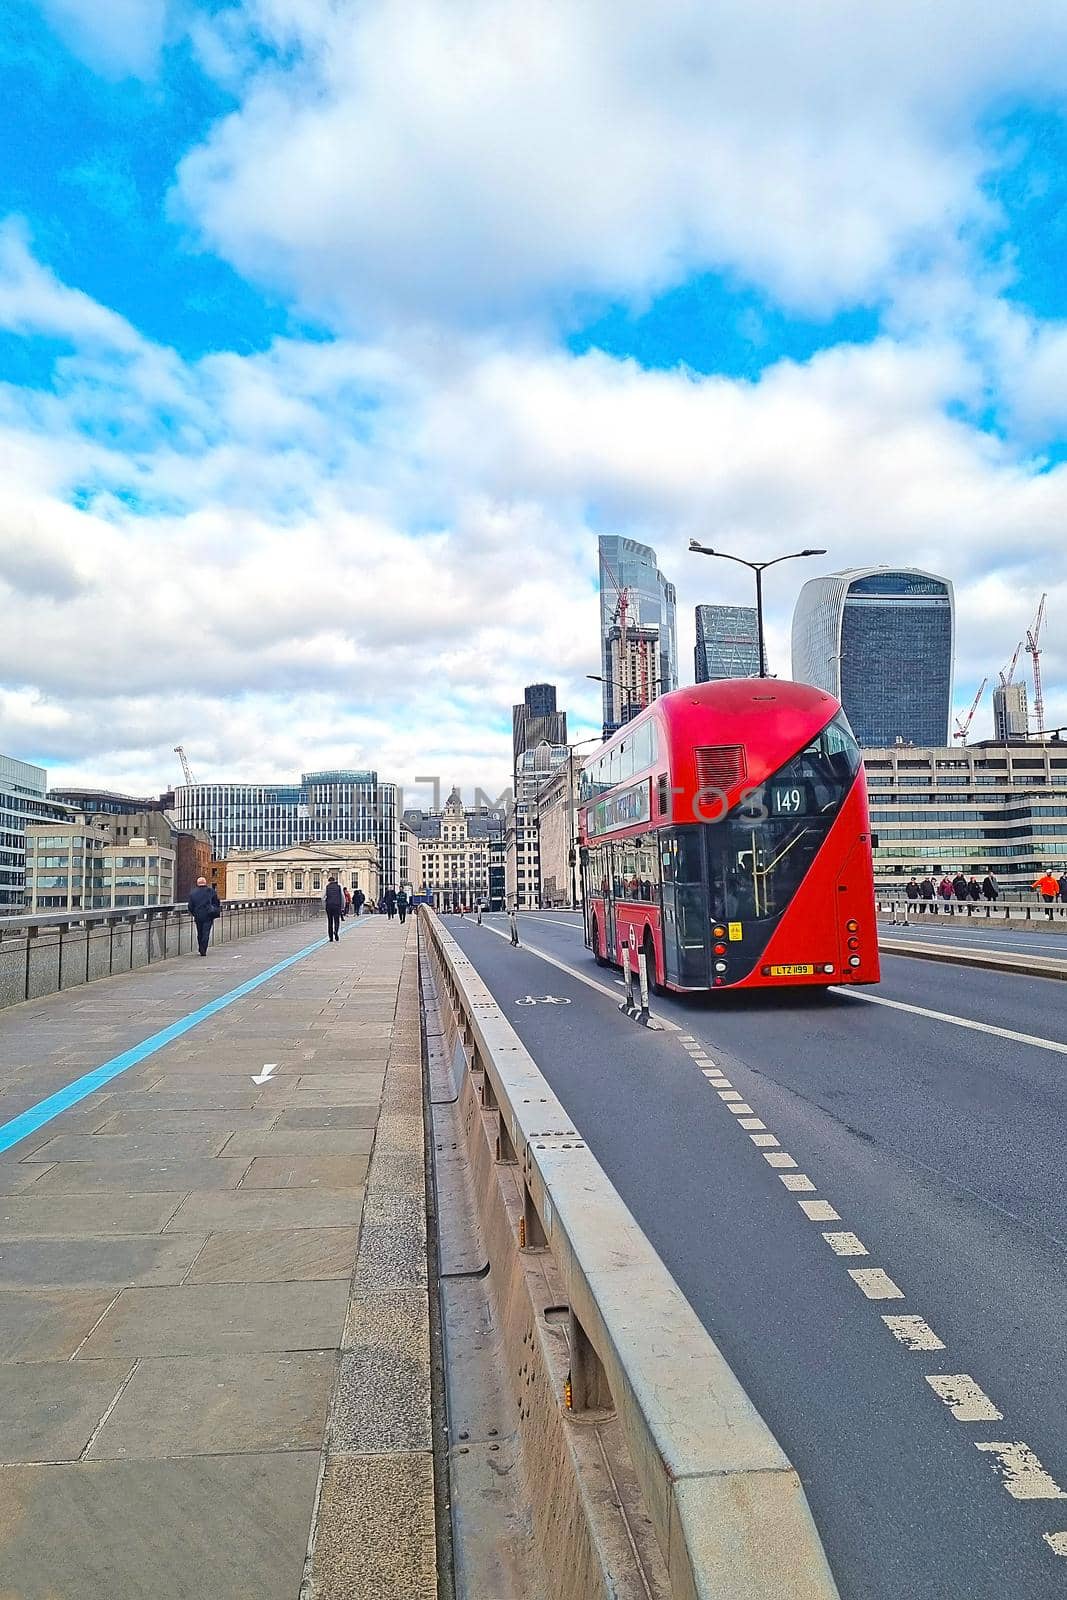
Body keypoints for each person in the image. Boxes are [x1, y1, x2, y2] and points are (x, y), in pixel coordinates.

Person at [188, 876, 221, 957]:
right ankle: (203, 950)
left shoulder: (193, 893)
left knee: (199, 933)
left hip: (198, 916)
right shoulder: (211, 891)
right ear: (205, 883)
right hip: (208, 915)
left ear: (197, 883)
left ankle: (200, 947)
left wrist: (194, 913)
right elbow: (217, 903)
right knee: (206, 932)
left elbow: (190, 906)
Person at [324, 873, 345, 942]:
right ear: (335, 880)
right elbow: (342, 897)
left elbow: (322, 897)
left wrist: (325, 905)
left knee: (330, 922)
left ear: (329, 881)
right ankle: (336, 931)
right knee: (337, 920)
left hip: (329, 906)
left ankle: (330, 938)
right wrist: (342, 907)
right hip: (337, 905)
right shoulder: (339, 886)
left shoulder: (326, 887)